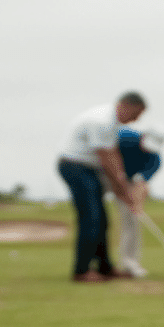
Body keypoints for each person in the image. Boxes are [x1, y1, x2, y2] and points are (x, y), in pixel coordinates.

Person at [57, 92, 147, 282]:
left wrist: (121, 187)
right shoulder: (102, 121)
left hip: (88, 170)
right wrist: (122, 189)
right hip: (75, 167)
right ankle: (81, 271)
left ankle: (105, 268)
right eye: (136, 114)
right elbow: (106, 158)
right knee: (91, 217)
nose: (135, 119)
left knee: (102, 220)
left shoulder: (112, 122)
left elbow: (114, 155)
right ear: (127, 106)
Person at [115, 126, 164, 278]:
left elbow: (141, 185)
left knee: (132, 220)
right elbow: (107, 154)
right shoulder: (124, 136)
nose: (148, 150)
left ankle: (130, 263)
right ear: (144, 135)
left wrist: (136, 204)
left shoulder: (155, 160)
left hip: (128, 182)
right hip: (102, 172)